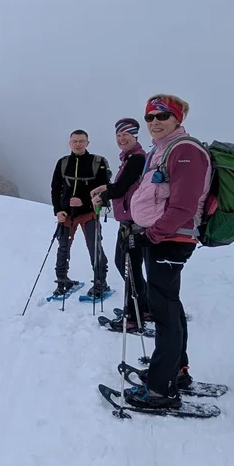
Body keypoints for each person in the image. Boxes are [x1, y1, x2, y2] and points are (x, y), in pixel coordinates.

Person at [121, 94, 213, 409]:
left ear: (177, 119)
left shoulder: (185, 150)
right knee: (169, 306)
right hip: (163, 238)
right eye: (150, 118)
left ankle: (163, 389)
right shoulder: (162, 151)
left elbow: (185, 205)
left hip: (170, 239)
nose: (155, 123)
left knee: (163, 313)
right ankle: (177, 372)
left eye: (162, 116)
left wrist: (153, 235)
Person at [90, 118, 149, 330]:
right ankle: (143, 307)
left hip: (133, 221)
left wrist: (103, 195)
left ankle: (133, 317)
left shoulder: (136, 159)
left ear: (135, 135)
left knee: (127, 265)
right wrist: (105, 188)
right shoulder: (132, 158)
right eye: (118, 135)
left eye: (126, 134)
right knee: (129, 264)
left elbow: (122, 187)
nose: (121, 138)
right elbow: (125, 184)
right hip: (131, 219)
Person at [49, 129, 112, 300]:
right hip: (66, 214)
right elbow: (56, 188)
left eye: (81, 141)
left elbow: (104, 187)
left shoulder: (97, 162)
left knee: (94, 247)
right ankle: (62, 280)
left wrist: (83, 201)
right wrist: (58, 210)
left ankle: (101, 282)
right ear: (70, 143)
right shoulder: (62, 163)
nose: (78, 144)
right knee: (63, 247)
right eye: (75, 141)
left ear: (87, 143)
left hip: (89, 212)